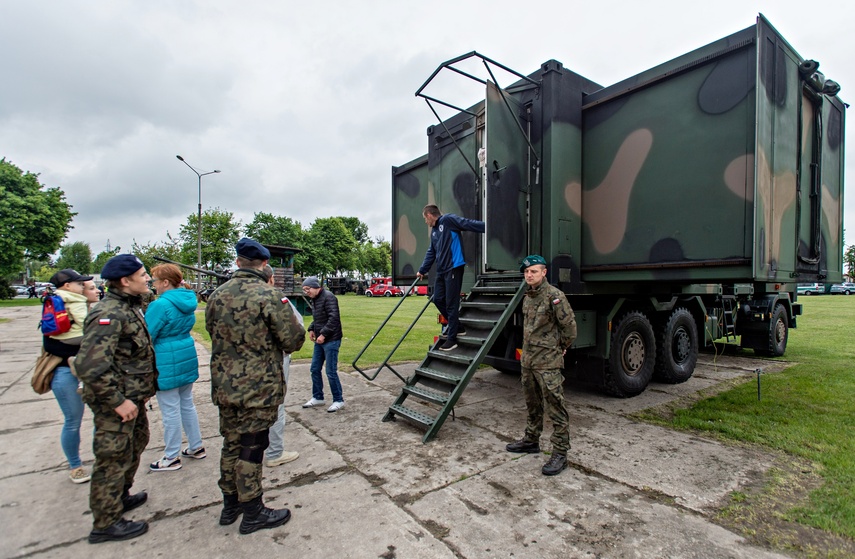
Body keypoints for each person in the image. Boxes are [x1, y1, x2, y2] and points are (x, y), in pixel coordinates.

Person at [205, 238, 305, 535]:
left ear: (238, 262)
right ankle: (252, 510)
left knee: (231, 443)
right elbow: (293, 339)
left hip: (225, 384)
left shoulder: (217, 296)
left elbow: (213, 332)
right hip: (258, 387)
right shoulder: (270, 296)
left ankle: (230, 504)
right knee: (252, 447)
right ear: (264, 264)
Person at [75, 254, 157, 543]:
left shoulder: (129, 308)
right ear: (125, 280)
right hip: (117, 403)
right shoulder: (108, 314)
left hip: (133, 398)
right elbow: (89, 366)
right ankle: (106, 522)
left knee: (134, 446)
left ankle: (120, 496)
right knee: (111, 459)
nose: (147, 278)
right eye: (142, 274)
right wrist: (116, 400)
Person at [506, 255, 577, 476]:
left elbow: (570, 328)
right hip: (528, 361)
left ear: (544, 272)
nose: (529, 275)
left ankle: (560, 453)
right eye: (526, 272)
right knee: (532, 403)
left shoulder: (555, 296)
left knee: (555, 406)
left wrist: (560, 347)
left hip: (548, 363)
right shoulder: (528, 296)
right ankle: (531, 440)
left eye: (534, 271)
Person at [146, 264, 206, 472]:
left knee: (170, 409)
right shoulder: (186, 301)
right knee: (186, 403)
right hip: (184, 351)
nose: (152, 285)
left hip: (166, 356)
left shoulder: (160, 305)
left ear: (165, 282)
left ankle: (171, 455)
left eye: (154, 280)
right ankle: (195, 444)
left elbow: (147, 334)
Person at [43, 268, 94, 484]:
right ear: (67, 286)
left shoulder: (78, 304)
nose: (83, 287)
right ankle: (75, 466)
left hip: (87, 369)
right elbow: (51, 343)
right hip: (66, 370)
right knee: (73, 420)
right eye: (81, 284)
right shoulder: (66, 303)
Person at [416, 204, 485, 351]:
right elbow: (431, 252)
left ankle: (452, 339)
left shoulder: (448, 220)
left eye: (424, 219)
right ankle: (458, 326)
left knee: (451, 303)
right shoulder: (434, 232)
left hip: (454, 267)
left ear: (429, 215)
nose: (425, 222)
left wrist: (489, 227)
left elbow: (467, 223)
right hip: (442, 270)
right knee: (437, 298)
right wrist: (422, 270)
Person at [261, 264, 302, 467]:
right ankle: (274, 452)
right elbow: (297, 328)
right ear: (271, 279)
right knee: (276, 405)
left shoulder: (224, 296)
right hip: (276, 361)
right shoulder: (276, 298)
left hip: (239, 368)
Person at [300, 276, 345, 413]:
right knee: (314, 368)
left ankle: (338, 400)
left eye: (308, 289)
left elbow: (333, 318)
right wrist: (312, 329)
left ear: (316, 287)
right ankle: (318, 397)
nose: (306, 292)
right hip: (320, 340)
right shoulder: (314, 299)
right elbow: (318, 318)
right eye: (304, 290)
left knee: (330, 371)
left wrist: (323, 334)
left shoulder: (329, 297)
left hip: (331, 340)